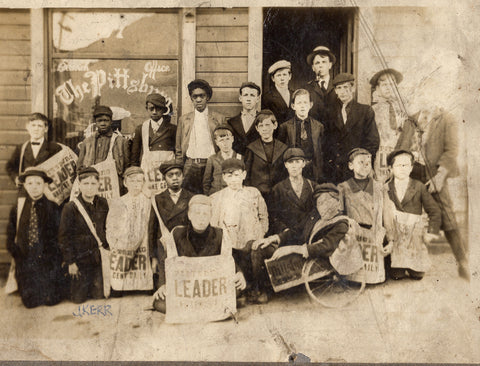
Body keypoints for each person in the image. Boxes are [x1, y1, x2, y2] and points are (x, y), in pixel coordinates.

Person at [395, 103, 470, 280]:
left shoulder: (447, 119)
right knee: (405, 214)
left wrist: (440, 176)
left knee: (446, 214)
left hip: (434, 173)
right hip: (411, 172)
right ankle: (405, 263)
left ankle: (463, 261)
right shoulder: (411, 120)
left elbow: (451, 150)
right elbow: (399, 147)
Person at [151, 195, 247, 313]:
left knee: (236, 287)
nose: (201, 218)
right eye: (197, 213)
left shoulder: (220, 234)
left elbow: (228, 260)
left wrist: (239, 273)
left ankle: (193, 310)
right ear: (189, 215)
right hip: (187, 290)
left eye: (205, 214)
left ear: (210, 216)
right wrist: (163, 285)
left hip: (210, 289)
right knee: (159, 302)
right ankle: (214, 308)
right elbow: (166, 261)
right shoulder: (177, 233)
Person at [6, 168, 66, 308]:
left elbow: (60, 236)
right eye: (30, 183)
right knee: (30, 302)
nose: (34, 187)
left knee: (51, 300)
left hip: (47, 259)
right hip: (26, 259)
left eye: (38, 183)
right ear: (25, 185)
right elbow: (11, 233)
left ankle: (49, 288)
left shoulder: (53, 207)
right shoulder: (18, 208)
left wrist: (54, 256)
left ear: (45, 185)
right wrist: (17, 253)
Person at [210, 158, 269, 291]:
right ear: (224, 178)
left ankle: (257, 289)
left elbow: (263, 217)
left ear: (244, 175)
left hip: (252, 241)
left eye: (237, 175)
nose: (233, 179)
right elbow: (214, 224)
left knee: (255, 258)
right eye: (229, 176)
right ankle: (240, 291)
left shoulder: (253, 193)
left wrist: (260, 236)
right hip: (230, 243)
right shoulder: (217, 198)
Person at [383, 150, 441, 280]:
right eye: (399, 165)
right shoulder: (385, 188)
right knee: (396, 275)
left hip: (414, 236)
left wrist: (431, 232)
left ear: (411, 168)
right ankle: (395, 265)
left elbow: (434, 210)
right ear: (390, 168)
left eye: (406, 165)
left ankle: (414, 266)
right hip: (395, 236)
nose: (403, 169)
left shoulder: (419, 187)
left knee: (417, 274)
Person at [58, 167, 110, 303]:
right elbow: (64, 237)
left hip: (98, 258)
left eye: (93, 184)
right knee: (78, 299)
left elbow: (107, 228)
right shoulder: (70, 207)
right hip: (80, 259)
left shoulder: (103, 203)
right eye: (86, 184)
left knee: (100, 295)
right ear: (79, 185)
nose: (89, 187)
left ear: (98, 184)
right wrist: (71, 262)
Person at [338, 148, 387, 284]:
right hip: (354, 236)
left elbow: (382, 214)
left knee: (373, 276)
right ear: (350, 166)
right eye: (361, 163)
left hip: (373, 236)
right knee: (355, 275)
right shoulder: (343, 188)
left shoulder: (378, 187)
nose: (365, 167)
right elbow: (340, 215)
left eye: (368, 163)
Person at [323, 73, 380, 184]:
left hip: (356, 169)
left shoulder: (365, 111)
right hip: (334, 169)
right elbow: (326, 140)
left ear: (353, 88)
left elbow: (372, 142)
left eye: (346, 87)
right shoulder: (329, 112)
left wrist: (363, 164)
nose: (342, 91)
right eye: (339, 88)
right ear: (335, 91)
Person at [106, 167, 153, 294]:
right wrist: (114, 243)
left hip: (143, 242)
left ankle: (142, 287)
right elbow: (111, 226)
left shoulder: (148, 201)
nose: (136, 184)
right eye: (132, 181)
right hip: (123, 243)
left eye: (139, 181)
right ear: (125, 183)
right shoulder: (119, 202)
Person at [148, 160, 194, 288]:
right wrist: (153, 257)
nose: (175, 178)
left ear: (183, 176)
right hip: (165, 249)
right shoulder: (157, 199)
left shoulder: (191, 197)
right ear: (164, 179)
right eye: (170, 175)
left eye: (178, 174)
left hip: (186, 248)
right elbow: (152, 230)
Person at [175, 79, 226, 193]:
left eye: (201, 96)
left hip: (211, 164)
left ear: (207, 97)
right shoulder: (184, 120)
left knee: (211, 195)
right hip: (190, 165)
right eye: (195, 97)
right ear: (191, 98)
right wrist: (180, 167)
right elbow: (178, 147)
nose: (198, 100)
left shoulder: (218, 118)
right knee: (188, 197)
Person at [76, 105, 130, 190]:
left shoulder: (121, 142)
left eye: (106, 120)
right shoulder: (87, 142)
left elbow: (127, 168)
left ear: (111, 121)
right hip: (92, 186)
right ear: (95, 122)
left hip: (114, 187)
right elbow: (79, 167)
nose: (103, 123)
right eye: (99, 121)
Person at [277, 89, 325, 182]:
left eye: (305, 102)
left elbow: (321, 151)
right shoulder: (285, 127)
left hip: (313, 170)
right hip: (294, 169)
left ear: (311, 105)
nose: (302, 106)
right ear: (293, 106)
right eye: (299, 103)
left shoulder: (318, 126)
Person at [6, 113, 62, 192]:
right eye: (33, 125)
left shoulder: (55, 148)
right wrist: (16, 178)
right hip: (26, 192)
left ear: (46, 129)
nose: (36, 129)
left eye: (40, 126)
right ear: (27, 127)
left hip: (47, 193)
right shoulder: (21, 148)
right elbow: (10, 166)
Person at [244, 110, 288, 210]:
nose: (265, 129)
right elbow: (246, 176)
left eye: (268, 125)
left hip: (278, 196)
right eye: (261, 126)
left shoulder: (283, 148)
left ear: (275, 125)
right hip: (257, 195)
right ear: (257, 128)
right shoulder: (252, 149)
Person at [369, 68, 407, 180]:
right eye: (384, 85)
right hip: (381, 157)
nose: (388, 88)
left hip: (400, 156)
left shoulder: (402, 109)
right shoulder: (372, 111)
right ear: (377, 88)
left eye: (391, 84)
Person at [131, 93, 176, 167]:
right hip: (148, 170)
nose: (154, 112)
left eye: (158, 109)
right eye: (151, 109)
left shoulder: (172, 129)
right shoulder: (141, 129)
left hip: (167, 170)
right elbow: (135, 156)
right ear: (147, 109)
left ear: (163, 110)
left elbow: (177, 153)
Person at [203, 125, 243, 196]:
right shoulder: (212, 159)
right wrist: (210, 196)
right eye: (221, 140)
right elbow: (206, 182)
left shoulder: (239, 157)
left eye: (227, 139)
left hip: (234, 195)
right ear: (216, 142)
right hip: (216, 194)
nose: (225, 143)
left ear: (232, 139)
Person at [305, 46, 338, 125]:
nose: (321, 65)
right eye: (317, 63)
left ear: (330, 65)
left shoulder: (338, 85)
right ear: (313, 67)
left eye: (324, 62)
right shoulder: (307, 88)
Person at [228, 82, 261, 155]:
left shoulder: (262, 120)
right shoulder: (231, 122)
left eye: (252, 95)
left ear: (258, 99)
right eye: (245, 95)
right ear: (240, 98)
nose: (248, 99)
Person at [261, 60, 294, 125]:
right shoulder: (268, 97)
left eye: (284, 74)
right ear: (273, 78)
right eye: (278, 75)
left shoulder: (294, 94)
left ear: (290, 76)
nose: (282, 78)